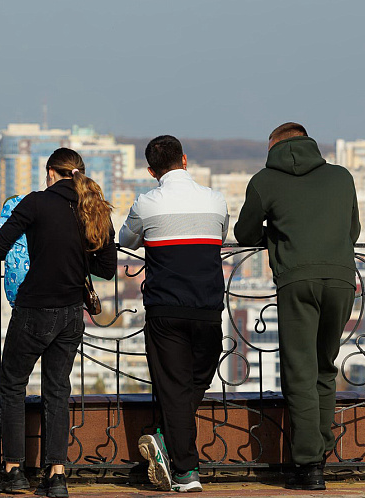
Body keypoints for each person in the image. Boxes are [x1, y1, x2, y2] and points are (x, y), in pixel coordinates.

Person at [233, 122, 360, 491]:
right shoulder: (341, 176)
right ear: (308, 141)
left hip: (295, 281)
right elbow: (353, 230)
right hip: (340, 279)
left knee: (299, 372)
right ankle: (321, 452)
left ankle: (307, 465)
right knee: (324, 367)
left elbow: (245, 234)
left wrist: (273, 234)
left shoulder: (264, 180)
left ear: (273, 146)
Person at [0, 148, 117, 497]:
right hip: (72, 312)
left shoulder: (37, 202)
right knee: (57, 390)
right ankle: (56, 475)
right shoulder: (96, 208)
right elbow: (105, 269)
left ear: (51, 172)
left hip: (34, 309)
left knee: (12, 384)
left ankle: (13, 471)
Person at [119, 135, 228, 493]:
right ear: (185, 160)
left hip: (165, 309)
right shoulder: (215, 200)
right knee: (196, 382)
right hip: (209, 307)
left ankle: (181, 466)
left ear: (151, 170)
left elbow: (126, 240)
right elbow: (220, 234)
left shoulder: (147, 203)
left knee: (174, 387)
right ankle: (178, 457)